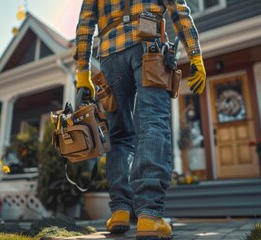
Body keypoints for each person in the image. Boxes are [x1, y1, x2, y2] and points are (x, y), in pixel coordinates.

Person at [73, 0, 206, 239]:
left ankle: (120, 210)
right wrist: (195, 54)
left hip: (110, 55)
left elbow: (85, 24)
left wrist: (83, 72)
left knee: (118, 134)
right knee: (153, 122)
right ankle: (149, 214)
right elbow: (177, 8)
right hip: (148, 44)